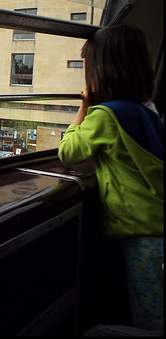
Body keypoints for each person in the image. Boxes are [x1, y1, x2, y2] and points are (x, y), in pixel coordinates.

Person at [58, 24, 163, 334]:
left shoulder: (105, 115)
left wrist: (84, 105)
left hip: (144, 237)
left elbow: (68, 151)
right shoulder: (150, 110)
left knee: (152, 315)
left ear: (100, 73)